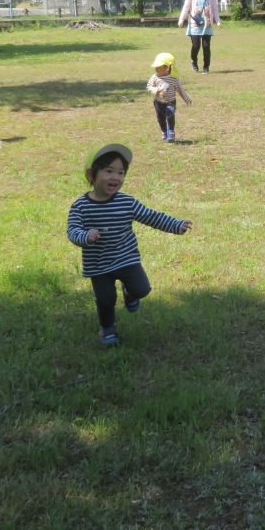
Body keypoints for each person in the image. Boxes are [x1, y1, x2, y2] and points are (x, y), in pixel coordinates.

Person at [67, 145, 193, 346]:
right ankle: (108, 329)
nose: (115, 177)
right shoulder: (81, 206)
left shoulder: (127, 202)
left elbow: (151, 216)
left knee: (142, 289)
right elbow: (72, 232)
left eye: (121, 173)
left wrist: (175, 225)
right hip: (98, 265)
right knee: (105, 299)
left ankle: (129, 293)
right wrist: (85, 236)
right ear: (91, 174)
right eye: (108, 171)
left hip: (126, 258)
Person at [177, 0, 221, 74]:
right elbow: (186, 7)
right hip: (195, 24)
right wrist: (181, 19)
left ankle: (206, 67)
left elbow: (214, 9)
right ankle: (194, 62)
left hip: (207, 23)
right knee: (196, 46)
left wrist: (218, 21)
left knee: (206, 46)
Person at [146, 53, 192, 143]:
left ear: (167, 67)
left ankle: (171, 131)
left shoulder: (174, 79)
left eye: (158, 67)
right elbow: (149, 86)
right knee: (161, 118)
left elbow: (180, 89)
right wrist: (155, 90)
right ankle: (164, 132)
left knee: (170, 114)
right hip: (158, 102)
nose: (156, 69)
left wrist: (186, 99)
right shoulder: (155, 77)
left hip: (170, 102)